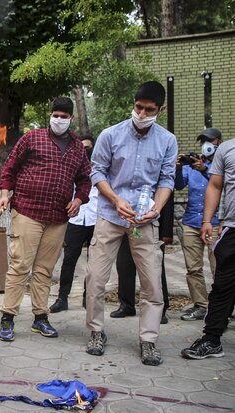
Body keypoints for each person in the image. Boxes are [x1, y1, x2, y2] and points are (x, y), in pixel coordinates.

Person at [85, 81, 177, 366]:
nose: (142, 113)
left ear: (159, 110)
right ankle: (96, 332)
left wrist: (157, 208)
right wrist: (115, 200)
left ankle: (148, 339)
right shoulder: (110, 135)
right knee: (95, 278)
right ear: (133, 104)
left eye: (149, 109)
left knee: (152, 282)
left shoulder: (167, 141)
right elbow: (97, 171)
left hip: (144, 220)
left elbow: (166, 180)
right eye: (139, 107)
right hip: (111, 216)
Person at [0, 97, 92, 341]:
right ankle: (7, 318)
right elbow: (10, 168)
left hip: (58, 217)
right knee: (20, 265)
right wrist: (5, 195)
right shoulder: (32, 138)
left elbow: (84, 179)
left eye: (64, 116)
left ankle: (40, 318)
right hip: (27, 211)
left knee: (44, 270)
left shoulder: (78, 148)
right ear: (50, 115)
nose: (59, 119)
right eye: (56, 114)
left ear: (71, 119)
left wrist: (79, 199)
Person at [181, 135, 235, 359]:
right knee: (222, 285)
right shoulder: (228, 149)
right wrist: (207, 220)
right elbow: (215, 185)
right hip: (232, 228)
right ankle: (211, 339)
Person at [175, 128, 223, 321]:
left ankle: (221, 310)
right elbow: (178, 185)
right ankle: (201, 305)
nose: (206, 144)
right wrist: (178, 168)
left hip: (216, 223)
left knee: (219, 268)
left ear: (219, 142)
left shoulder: (224, 164)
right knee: (193, 269)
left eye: (209, 140)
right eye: (203, 141)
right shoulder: (192, 163)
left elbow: (224, 185)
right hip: (191, 223)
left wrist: (205, 170)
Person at [50, 136, 98, 313]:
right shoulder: (72, 168)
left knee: (94, 262)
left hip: (95, 219)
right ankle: (62, 298)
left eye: (88, 150)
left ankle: (88, 298)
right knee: (69, 260)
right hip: (75, 219)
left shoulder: (100, 171)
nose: (84, 153)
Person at [110, 195, 173, 325]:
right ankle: (126, 305)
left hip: (150, 225)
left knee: (154, 269)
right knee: (124, 265)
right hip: (126, 224)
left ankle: (160, 310)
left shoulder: (158, 176)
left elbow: (167, 201)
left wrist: (166, 231)